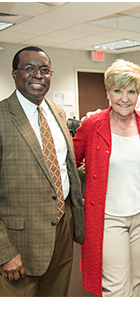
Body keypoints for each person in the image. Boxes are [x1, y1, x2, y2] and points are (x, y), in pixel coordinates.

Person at [73, 59, 140, 297]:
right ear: (108, 93)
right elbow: (70, 161)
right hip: (108, 218)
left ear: (138, 94)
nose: (125, 98)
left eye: (131, 91)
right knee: (116, 286)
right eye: (118, 90)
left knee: (135, 282)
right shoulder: (93, 124)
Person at [0, 46, 84, 297]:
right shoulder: (2, 116)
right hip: (19, 241)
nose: (38, 75)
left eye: (45, 70)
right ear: (15, 74)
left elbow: (63, 169)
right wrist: (5, 251)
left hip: (62, 231)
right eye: (29, 68)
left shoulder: (58, 114)